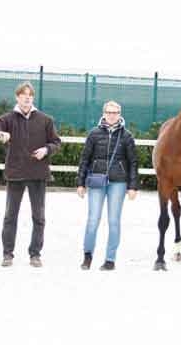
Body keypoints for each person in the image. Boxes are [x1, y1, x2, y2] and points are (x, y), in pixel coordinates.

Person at [0, 81, 61, 268]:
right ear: (17, 97)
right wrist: (0, 134)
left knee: (39, 217)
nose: (27, 98)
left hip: (38, 174)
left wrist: (46, 150)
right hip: (15, 173)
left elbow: (56, 142)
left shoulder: (46, 120)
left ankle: (35, 254)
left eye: (30, 96)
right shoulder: (7, 118)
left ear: (33, 98)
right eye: (24, 95)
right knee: (10, 216)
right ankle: (7, 254)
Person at [76, 100, 138, 271]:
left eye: (115, 112)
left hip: (118, 182)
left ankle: (110, 259)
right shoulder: (94, 134)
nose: (112, 115)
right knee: (93, 220)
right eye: (109, 112)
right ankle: (87, 256)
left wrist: (133, 186)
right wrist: (80, 183)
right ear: (104, 113)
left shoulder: (127, 136)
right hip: (97, 180)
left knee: (114, 221)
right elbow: (85, 159)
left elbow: (133, 162)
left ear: (120, 114)